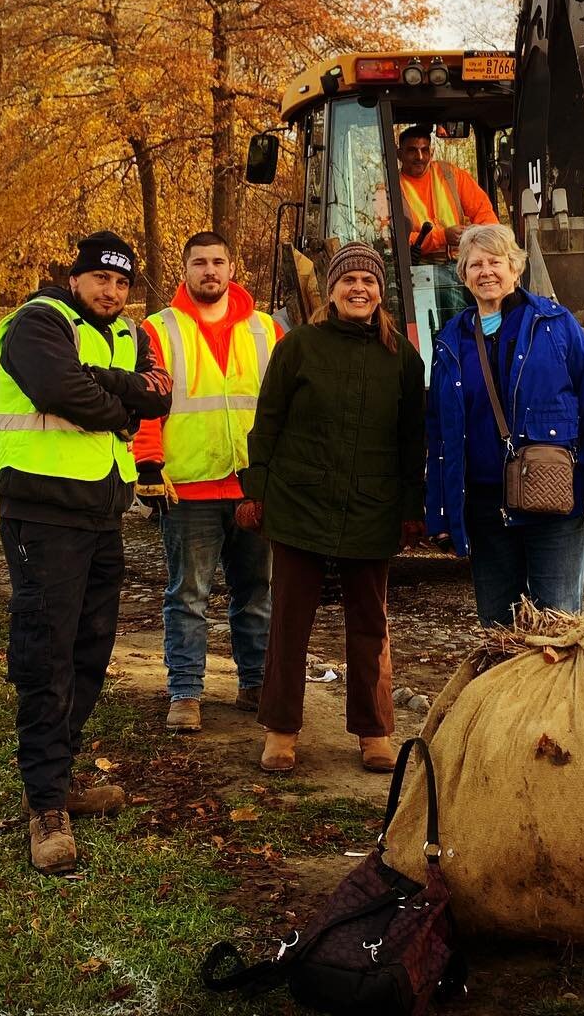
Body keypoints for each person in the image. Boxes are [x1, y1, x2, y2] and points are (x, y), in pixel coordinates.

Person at [0, 230, 173, 876]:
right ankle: (45, 807)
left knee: (90, 650)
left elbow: (162, 392)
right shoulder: (36, 321)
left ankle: (61, 777)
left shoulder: (129, 333)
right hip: (42, 516)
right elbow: (58, 390)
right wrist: (121, 407)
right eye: (102, 279)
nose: (113, 291)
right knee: (46, 656)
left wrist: (109, 383)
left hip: (102, 515)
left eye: (124, 283)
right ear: (77, 278)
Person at [239, 242, 426, 775]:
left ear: (380, 293)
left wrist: (411, 507)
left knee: (371, 624)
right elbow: (268, 421)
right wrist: (256, 491)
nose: (359, 289)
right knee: (289, 622)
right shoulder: (299, 346)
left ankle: (374, 731)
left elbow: (412, 443)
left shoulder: (402, 360)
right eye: (349, 281)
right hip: (299, 503)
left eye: (368, 281)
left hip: (372, 506)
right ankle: (280, 730)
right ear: (333, 290)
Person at [426, 224, 584, 627]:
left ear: (515, 268)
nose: (486, 272)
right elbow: (439, 432)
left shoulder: (556, 325)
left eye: (495, 262)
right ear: (463, 275)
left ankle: (555, 694)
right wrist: (441, 512)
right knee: (498, 629)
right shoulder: (451, 339)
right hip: (485, 508)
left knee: (558, 625)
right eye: (475, 264)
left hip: (552, 501)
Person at [132, 232, 282, 734]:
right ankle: (186, 693)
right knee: (187, 596)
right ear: (185, 270)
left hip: (252, 489)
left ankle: (256, 683)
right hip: (188, 489)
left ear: (232, 266)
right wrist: (149, 466)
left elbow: (284, 409)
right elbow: (145, 406)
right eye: (200, 263)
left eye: (219, 261)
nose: (210, 271)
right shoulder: (158, 329)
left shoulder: (266, 331)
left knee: (256, 592)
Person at [396, 125, 499, 262]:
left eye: (425, 150)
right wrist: (442, 237)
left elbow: (485, 215)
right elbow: (393, 241)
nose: (419, 157)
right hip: (416, 270)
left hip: (461, 264)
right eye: (412, 151)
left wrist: (474, 234)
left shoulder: (450, 174)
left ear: (431, 153)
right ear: (399, 154)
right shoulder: (390, 188)